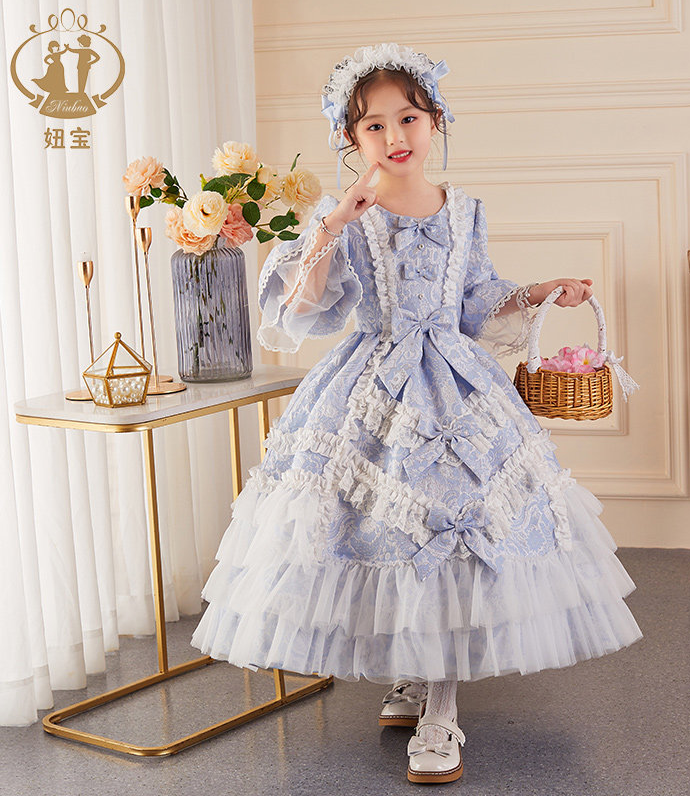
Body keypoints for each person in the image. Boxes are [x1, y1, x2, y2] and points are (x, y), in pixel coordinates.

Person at [192, 43, 642, 785]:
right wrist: (332, 224)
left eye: (409, 117)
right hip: (371, 384)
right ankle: (410, 669)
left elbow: (475, 301)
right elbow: (303, 309)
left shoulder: (463, 209)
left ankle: (442, 707)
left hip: (456, 387)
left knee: (453, 526)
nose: (394, 135)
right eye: (373, 125)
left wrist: (538, 292)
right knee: (383, 531)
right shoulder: (346, 215)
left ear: (436, 121)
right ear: (351, 138)